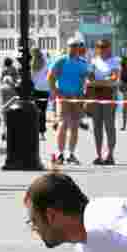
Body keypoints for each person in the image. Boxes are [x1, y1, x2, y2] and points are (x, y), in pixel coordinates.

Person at [48, 36, 89, 166]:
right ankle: (60, 154)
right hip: (63, 96)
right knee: (63, 124)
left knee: (75, 126)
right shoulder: (61, 60)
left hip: (77, 97)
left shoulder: (82, 62)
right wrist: (56, 92)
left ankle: (71, 154)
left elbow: (85, 78)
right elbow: (50, 77)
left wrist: (84, 94)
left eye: (76, 46)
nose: (74, 48)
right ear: (68, 47)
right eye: (72, 46)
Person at [85, 39, 119, 165]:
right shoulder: (94, 61)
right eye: (99, 47)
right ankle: (98, 155)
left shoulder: (114, 61)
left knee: (109, 125)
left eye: (104, 46)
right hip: (95, 95)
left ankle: (110, 155)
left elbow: (114, 77)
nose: (102, 49)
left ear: (109, 48)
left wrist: (99, 82)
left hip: (109, 95)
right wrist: (101, 81)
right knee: (97, 126)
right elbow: (89, 78)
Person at [30, 47, 50, 139]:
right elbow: (48, 74)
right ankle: (42, 133)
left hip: (36, 89)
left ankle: (35, 131)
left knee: (35, 111)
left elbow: (31, 77)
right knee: (43, 111)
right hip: (45, 88)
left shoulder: (32, 63)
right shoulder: (45, 62)